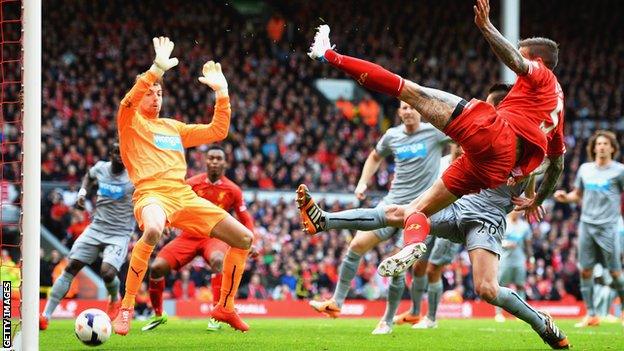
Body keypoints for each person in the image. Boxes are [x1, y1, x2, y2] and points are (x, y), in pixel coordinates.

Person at [306, 0, 565, 275]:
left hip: (494, 133)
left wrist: (486, 27)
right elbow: (557, 164)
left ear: (538, 60)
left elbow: (514, 59)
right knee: (416, 209)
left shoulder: (542, 74)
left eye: (523, 53)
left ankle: (328, 55)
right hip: (496, 169)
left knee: (409, 91)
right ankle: (412, 243)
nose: (519, 61)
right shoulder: (557, 107)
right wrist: (537, 200)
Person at [113, 37, 253, 335]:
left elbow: (218, 130)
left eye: (159, 92)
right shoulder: (130, 121)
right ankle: (125, 308)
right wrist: (154, 70)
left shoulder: (173, 127)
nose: (156, 96)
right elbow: (128, 101)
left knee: (243, 238)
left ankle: (225, 307)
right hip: (151, 194)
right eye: (150, 92)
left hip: (183, 195)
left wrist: (222, 93)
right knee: (151, 230)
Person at [304, 100, 448, 335]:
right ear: (399, 112)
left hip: (420, 210)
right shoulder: (392, 135)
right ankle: (336, 302)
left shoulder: (434, 133)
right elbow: (374, 156)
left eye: (412, 107)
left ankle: (387, 321)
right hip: (391, 204)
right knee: (357, 245)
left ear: (420, 111)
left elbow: (463, 138)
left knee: (397, 265)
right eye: (404, 107)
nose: (408, 110)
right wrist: (362, 183)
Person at [395, 84, 513, 329]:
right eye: (457, 144)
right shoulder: (441, 163)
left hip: (459, 218)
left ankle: (431, 318)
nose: (460, 147)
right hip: (436, 214)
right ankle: (416, 311)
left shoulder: (475, 165)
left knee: (434, 270)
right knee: (418, 266)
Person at [143, 145, 256, 332]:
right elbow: (172, 204)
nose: (214, 162)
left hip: (215, 237)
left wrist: (252, 240)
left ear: (225, 162)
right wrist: (164, 221)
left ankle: (217, 314)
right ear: (205, 161)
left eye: (218, 158)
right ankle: (158, 314)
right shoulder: (191, 184)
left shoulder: (233, 190)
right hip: (189, 236)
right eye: (211, 158)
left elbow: (245, 218)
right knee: (156, 268)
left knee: (218, 260)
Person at [40, 143, 134, 330]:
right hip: (96, 228)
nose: (120, 156)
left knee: (107, 272)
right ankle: (45, 316)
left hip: (119, 233)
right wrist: (82, 193)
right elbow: (88, 176)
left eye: (124, 153)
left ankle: (114, 298)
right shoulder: (100, 168)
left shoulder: (134, 176)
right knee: (71, 267)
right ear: (111, 154)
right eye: (117, 152)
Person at [553, 130, 624, 328]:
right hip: (587, 225)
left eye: (605, 144)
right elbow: (578, 194)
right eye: (598, 144)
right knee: (585, 271)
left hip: (609, 228)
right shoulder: (585, 169)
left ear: (612, 148)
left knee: (615, 273)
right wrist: (566, 197)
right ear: (593, 148)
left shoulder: (619, 171)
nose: (601, 147)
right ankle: (592, 315)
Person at [494, 210, 532, 322]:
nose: (517, 212)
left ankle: (521, 314)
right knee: (501, 285)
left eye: (519, 210)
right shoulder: (503, 222)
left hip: (519, 260)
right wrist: (506, 244)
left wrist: (531, 259)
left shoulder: (524, 226)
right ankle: (498, 313)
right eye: (515, 210)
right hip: (505, 260)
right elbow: (495, 240)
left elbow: (528, 243)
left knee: (520, 285)